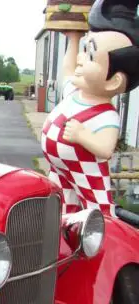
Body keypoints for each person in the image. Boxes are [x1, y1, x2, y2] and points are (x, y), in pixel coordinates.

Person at [41, 0, 139, 226]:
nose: (80, 58)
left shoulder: (105, 115)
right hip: (60, 170)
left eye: (90, 55)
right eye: (85, 49)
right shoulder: (75, 92)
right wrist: (74, 38)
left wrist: (82, 135)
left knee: (99, 213)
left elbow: (104, 150)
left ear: (114, 81)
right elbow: (68, 67)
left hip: (88, 175)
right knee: (61, 209)